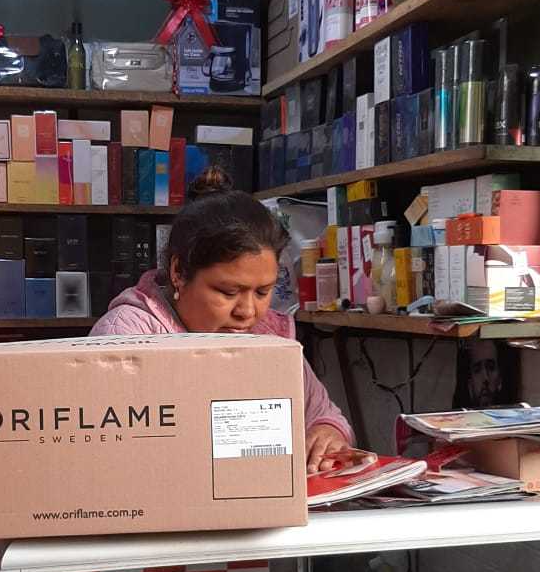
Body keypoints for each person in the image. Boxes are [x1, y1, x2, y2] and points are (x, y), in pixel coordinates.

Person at [91, 169, 354, 473]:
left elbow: (323, 413)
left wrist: (326, 433)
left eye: (263, 292)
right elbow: (105, 454)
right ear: (179, 272)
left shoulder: (269, 335)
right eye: (228, 292)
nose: (248, 311)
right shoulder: (125, 338)